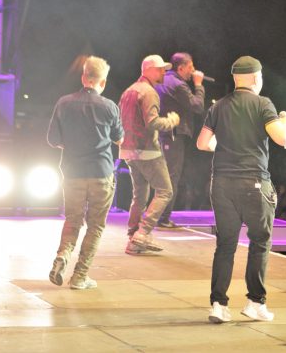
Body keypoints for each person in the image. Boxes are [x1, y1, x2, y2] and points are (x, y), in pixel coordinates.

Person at [197, 55, 286, 324]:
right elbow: (280, 138)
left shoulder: (218, 106)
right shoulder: (263, 104)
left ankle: (218, 305)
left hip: (221, 184)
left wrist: (226, 148)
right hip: (254, 182)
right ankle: (255, 303)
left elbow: (203, 143)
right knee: (259, 242)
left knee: (225, 245)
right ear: (255, 78)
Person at [47, 56, 124, 289]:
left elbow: (53, 139)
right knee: (96, 225)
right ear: (103, 82)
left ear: (83, 78)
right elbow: (119, 138)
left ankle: (63, 255)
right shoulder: (109, 106)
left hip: (72, 173)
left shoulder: (63, 103)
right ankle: (80, 277)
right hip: (101, 172)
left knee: (73, 220)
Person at [119, 55, 180, 255]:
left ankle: (133, 236)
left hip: (128, 150)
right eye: (161, 69)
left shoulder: (128, 91)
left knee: (140, 195)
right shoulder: (149, 92)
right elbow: (152, 122)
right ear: (149, 70)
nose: (164, 72)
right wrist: (171, 121)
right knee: (165, 191)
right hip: (147, 151)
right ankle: (142, 233)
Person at [155, 52, 206, 227]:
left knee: (161, 176)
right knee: (171, 176)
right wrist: (198, 85)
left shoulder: (162, 80)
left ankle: (156, 215)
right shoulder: (179, 85)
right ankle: (162, 218)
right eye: (191, 67)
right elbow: (197, 106)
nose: (193, 70)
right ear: (181, 68)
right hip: (173, 135)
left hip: (161, 133)